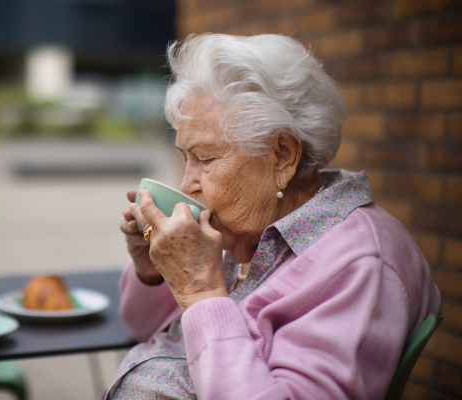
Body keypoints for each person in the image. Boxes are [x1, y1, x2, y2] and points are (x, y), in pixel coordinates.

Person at [112, 33, 441, 399]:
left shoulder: (358, 264)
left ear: (282, 155)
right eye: (184, 157)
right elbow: (145, 329)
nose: (187, 183)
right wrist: (153, 269)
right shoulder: (245, 232)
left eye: (204, 159)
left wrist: (201, 292)